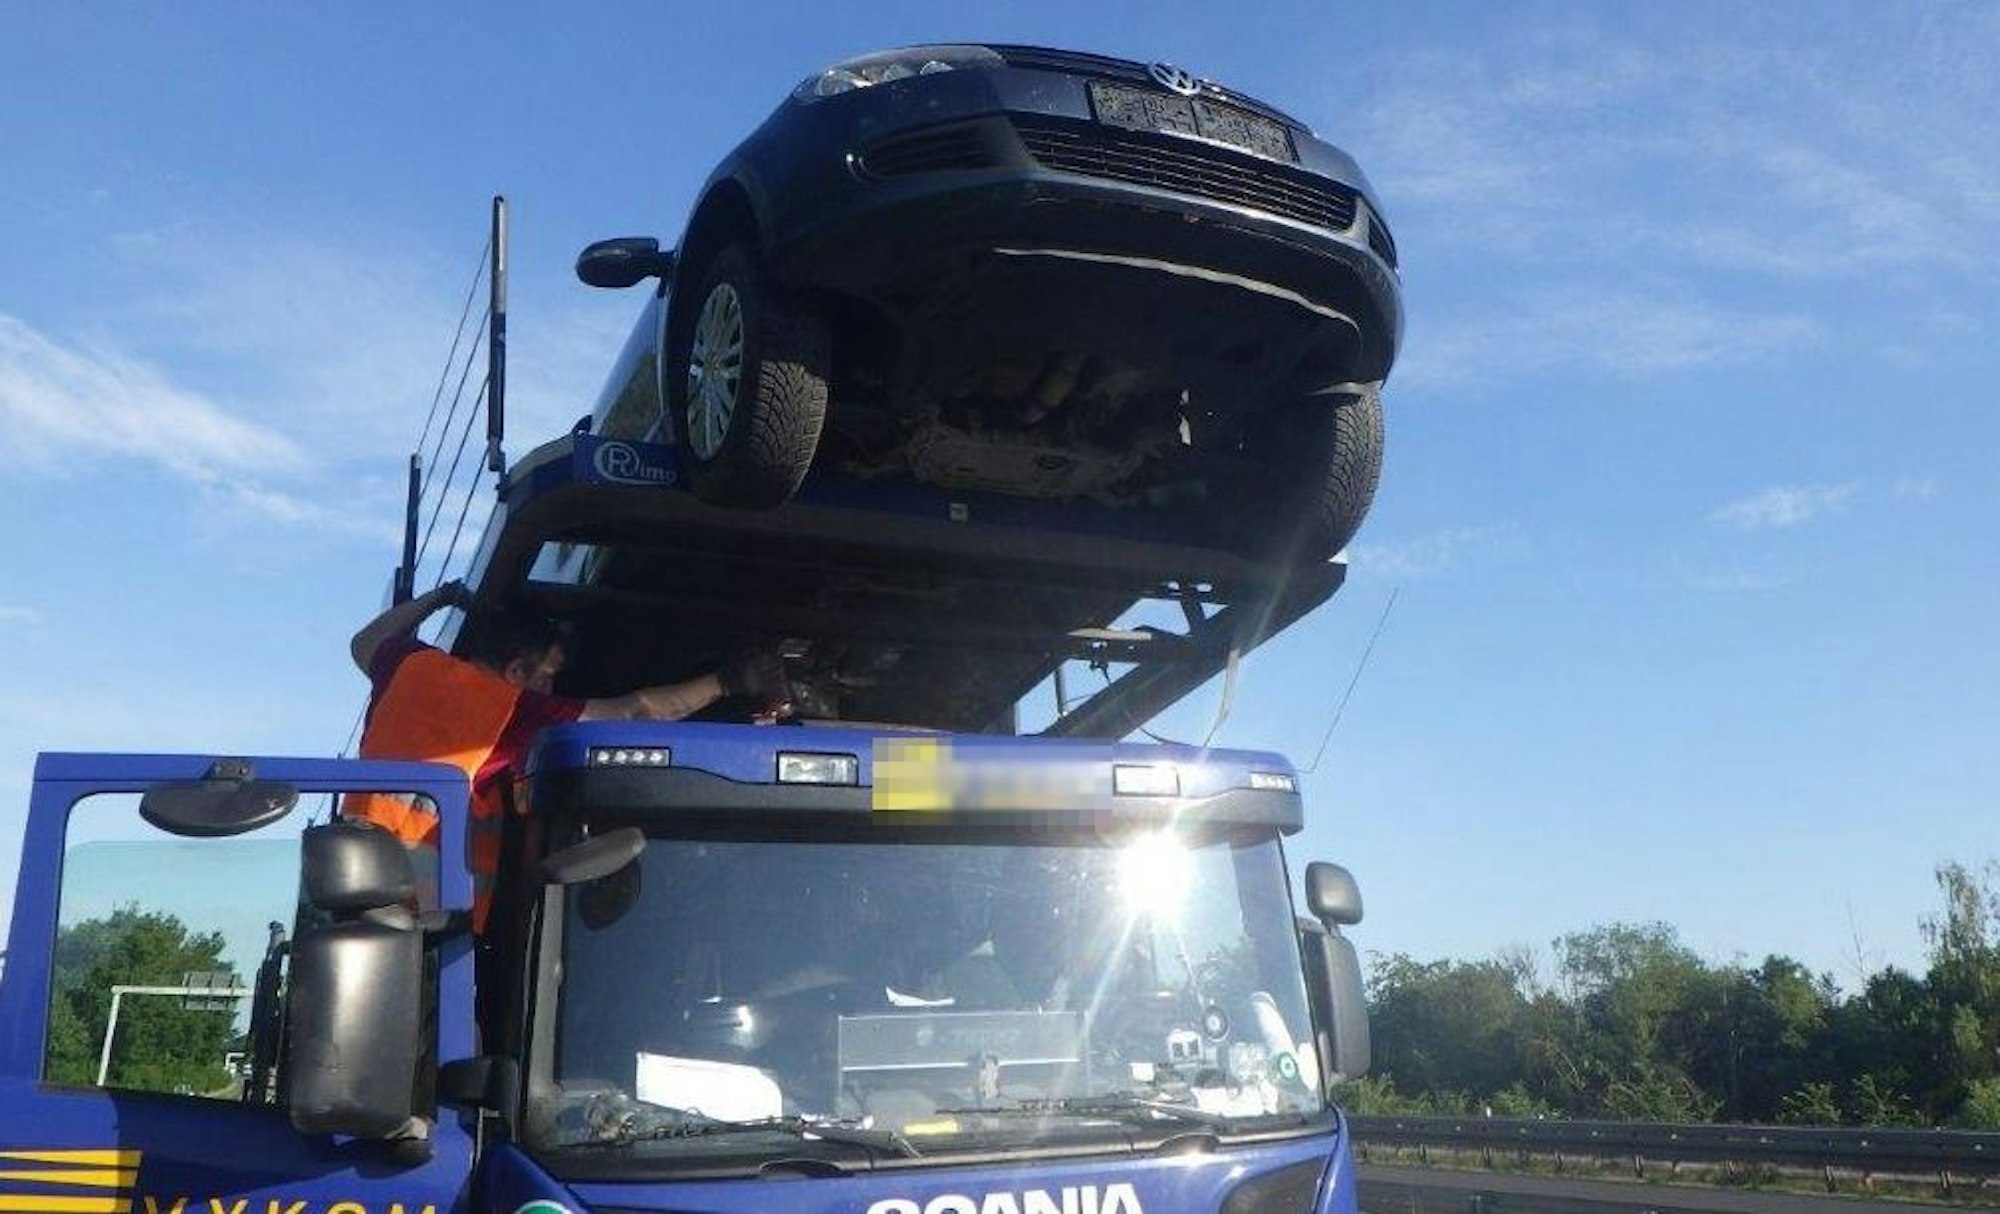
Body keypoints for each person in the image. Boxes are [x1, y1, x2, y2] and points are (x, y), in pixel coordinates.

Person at [341, 579, 789, 932]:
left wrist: (438, 598)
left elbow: (364, 642)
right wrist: (727, 683)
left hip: (354, 883)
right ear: (516, 670)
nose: (553, 688)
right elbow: (635, 713)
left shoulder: (412, 666)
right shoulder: (511, 709)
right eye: (548, 675)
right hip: (425, 915)